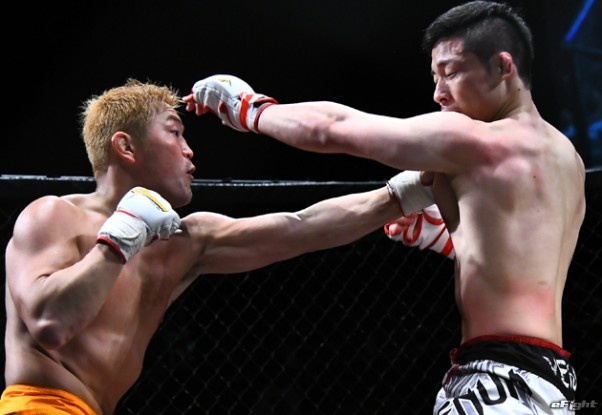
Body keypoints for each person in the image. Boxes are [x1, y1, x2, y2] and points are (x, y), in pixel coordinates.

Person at [183, 1, 586, 412]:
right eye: (435, 77)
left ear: (503, 67)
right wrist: (448, 239)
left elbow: (332, 129)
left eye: (450, 72)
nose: (438, 93)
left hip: (499, 378)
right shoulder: (567, 160)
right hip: (553, 382)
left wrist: (249, 108)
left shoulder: (475, 140)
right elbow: (526, 262)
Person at [0, 79, 432, 415]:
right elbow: (49, 322)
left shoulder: (184, 243)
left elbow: (302, 227)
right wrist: (117, 240)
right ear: (126, 146)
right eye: (175, 133)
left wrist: (404, 193)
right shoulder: (54, 215)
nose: (190, 152)